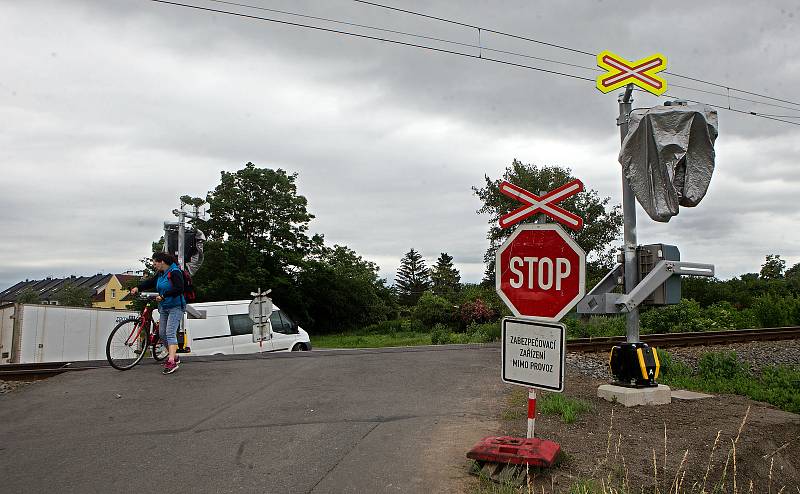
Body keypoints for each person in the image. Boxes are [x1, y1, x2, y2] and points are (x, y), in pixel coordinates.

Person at [130, 252, 185, 374]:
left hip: (176, 307)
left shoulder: (175, 272)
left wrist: (164, 295)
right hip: (164, 307)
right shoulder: (161, 273)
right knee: (162, 333)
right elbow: (150, 282)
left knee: (170, 332)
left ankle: (171, 362)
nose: (154, 265)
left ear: (162, 262)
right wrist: (138, 288)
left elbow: (179, 288)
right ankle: (174, 356)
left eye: (155, 263)